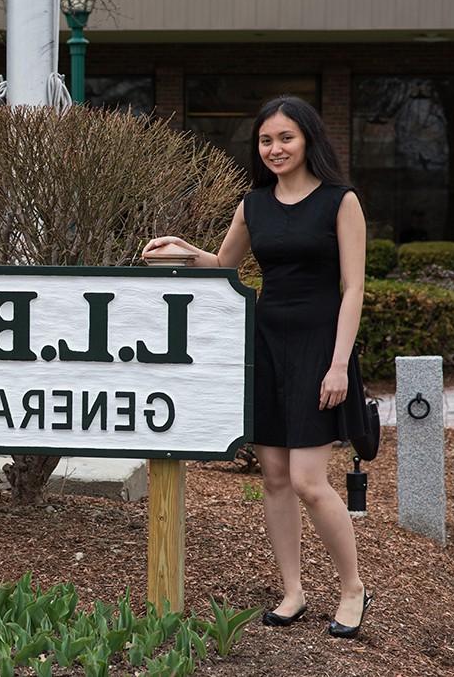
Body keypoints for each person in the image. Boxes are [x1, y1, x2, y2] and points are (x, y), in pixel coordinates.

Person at [143, 96, 372, 639]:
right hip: (265, 344)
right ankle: (292, 592)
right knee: (273, 478)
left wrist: (340, 364)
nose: (275, 148)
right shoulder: (253, 204)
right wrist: (182, 249)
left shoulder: (342, 201)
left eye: (286, 138)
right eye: (267, 140)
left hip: (320, 348)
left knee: (309, 480)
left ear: (309, 139)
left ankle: (353, 589)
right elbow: (224, 265)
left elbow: (354, 286)